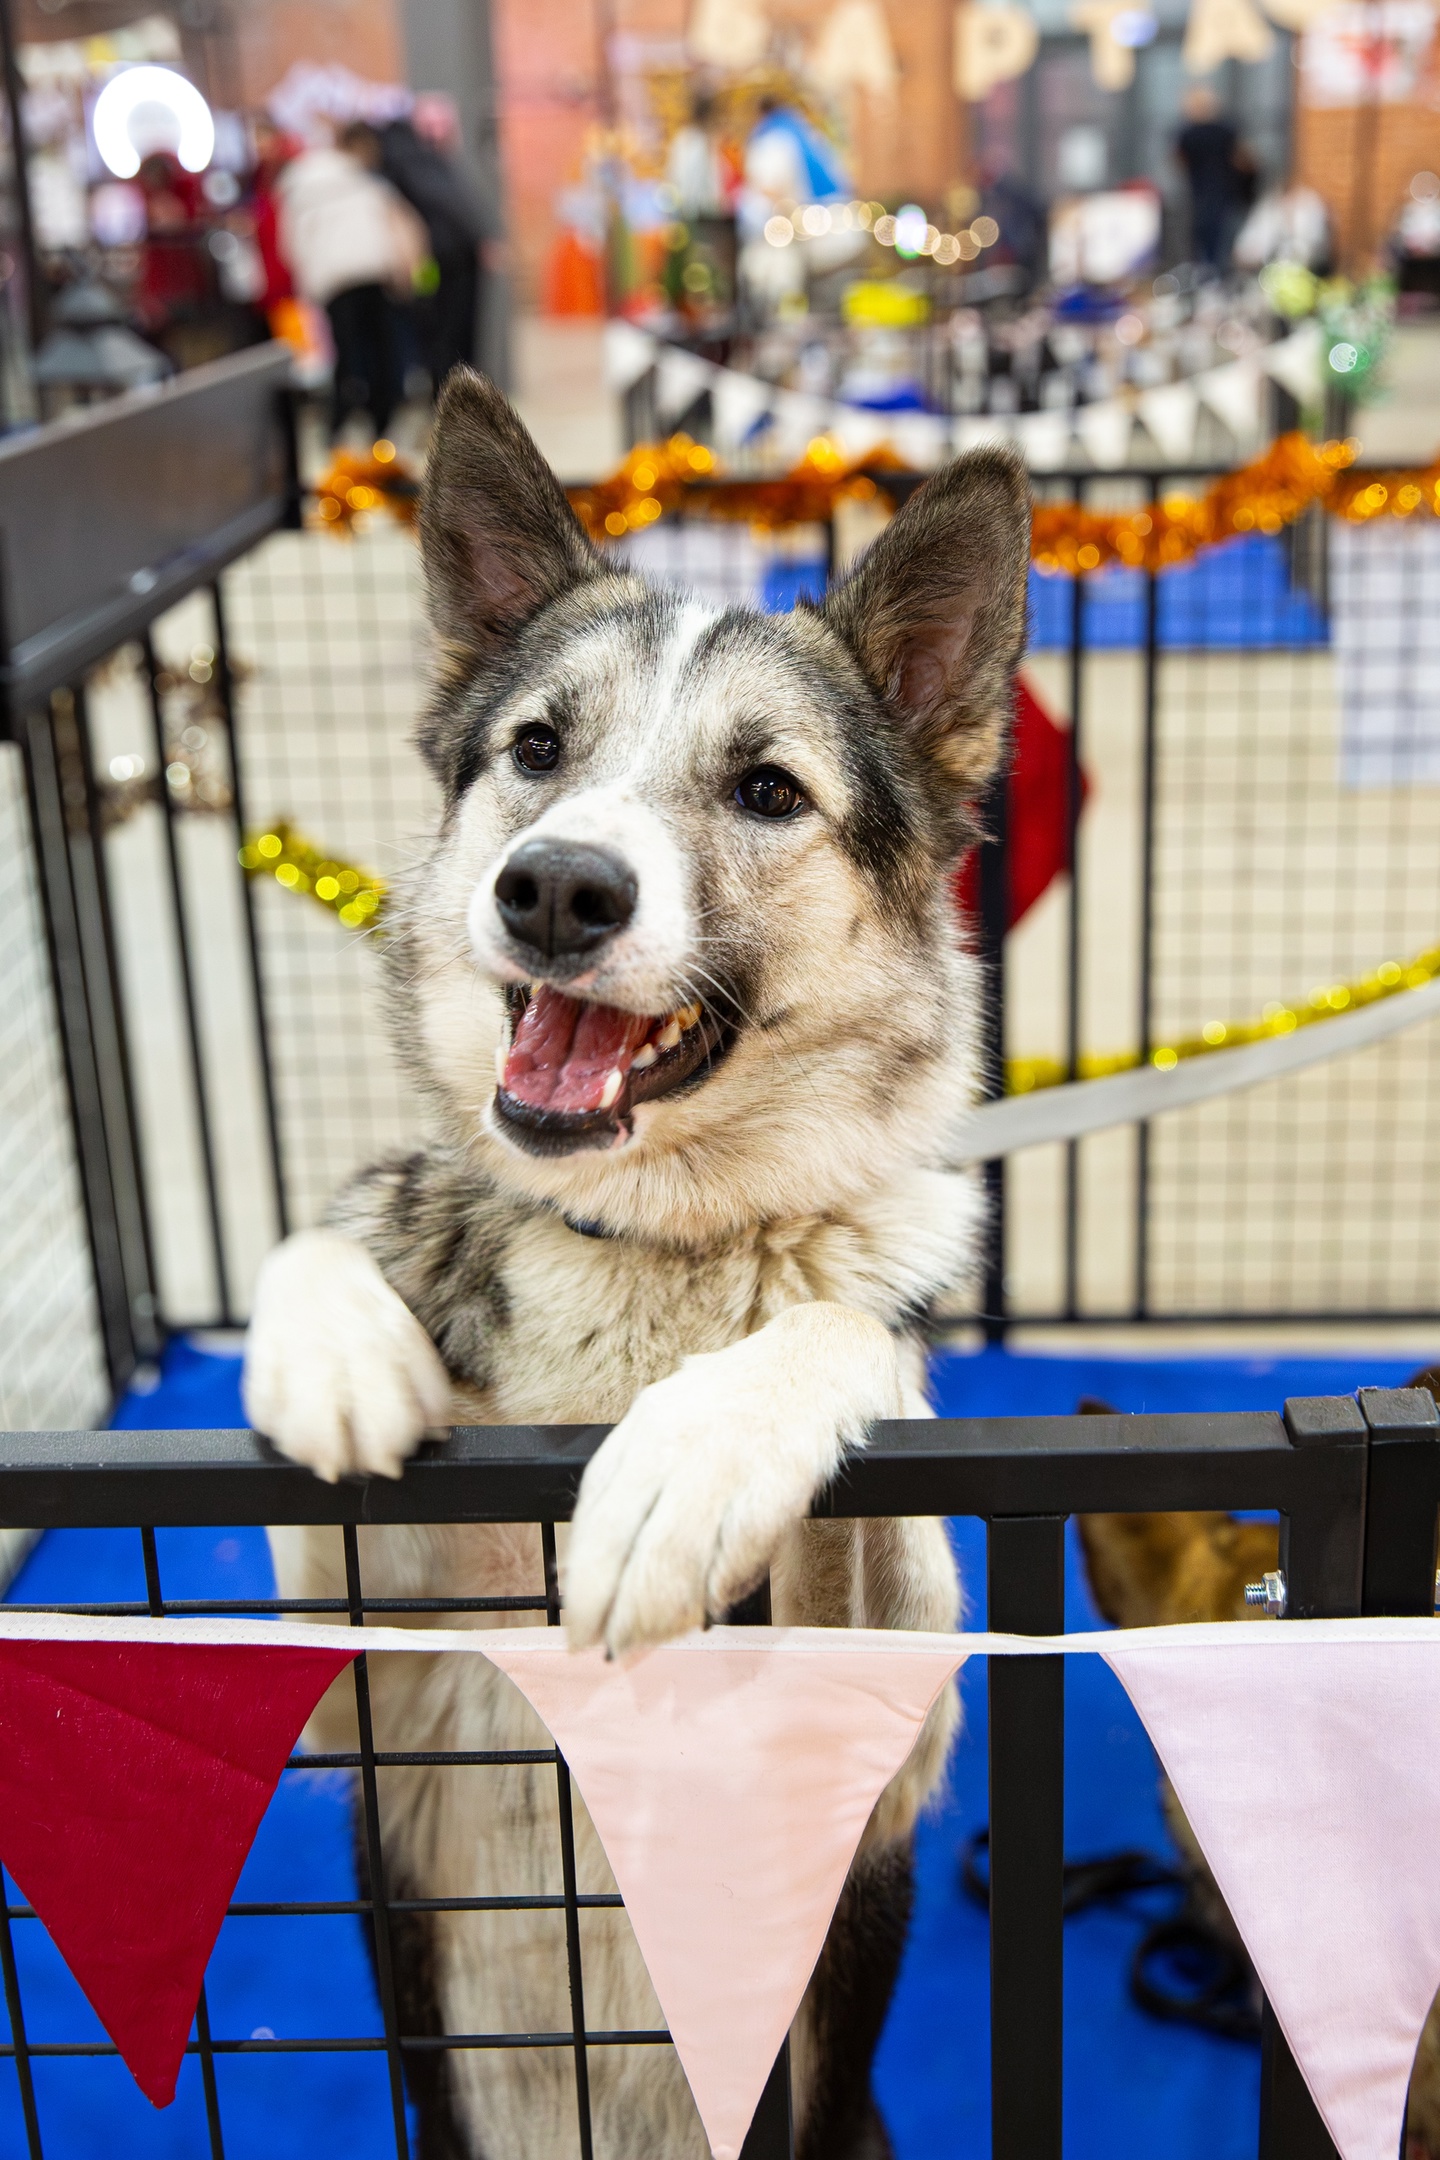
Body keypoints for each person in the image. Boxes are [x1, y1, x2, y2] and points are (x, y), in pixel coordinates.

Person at [276, 120, 427, 441]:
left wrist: (308, 281)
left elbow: (291, 243)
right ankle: (380, 425)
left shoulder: (300, 184)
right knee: (380, 352)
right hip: (374, 273)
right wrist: (410, 276)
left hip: (332, 282)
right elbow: (399, 228)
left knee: (346, 356)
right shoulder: (366, 183)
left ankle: (339, 427)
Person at [379, 96, 492, 392]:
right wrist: (479, 237)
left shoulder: (431, 165)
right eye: (431, 126)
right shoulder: (417, 163)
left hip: (439, 261)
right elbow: (449, 210)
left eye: (443, 125)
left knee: (444, 330)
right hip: (439, 262)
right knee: (444, 330)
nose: (437, 133)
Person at [1174, 86, 1244, 271]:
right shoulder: (1226, 130)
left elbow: (1179, 161)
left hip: (1201, 195)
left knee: (1201, 242)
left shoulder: (1188, 134)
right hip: (1224, 194)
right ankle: (1218, 277)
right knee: (1222, 243)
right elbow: (1242, 160)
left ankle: (1204, 276)